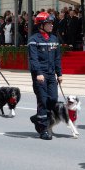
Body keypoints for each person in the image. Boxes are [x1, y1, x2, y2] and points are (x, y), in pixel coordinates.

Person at [28, 12, 62, 140]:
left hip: (51, 74)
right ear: (41, 25)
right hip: (40, 74)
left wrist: (59, 74)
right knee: (42, 100)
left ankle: (38, 118)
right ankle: (43, 129)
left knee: (53, 99)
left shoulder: (54, 39)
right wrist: (38, 73)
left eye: (51, 23)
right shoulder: (34, 40)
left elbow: (57, 58)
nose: (51, 25)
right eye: (48, 23)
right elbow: (33, 59)